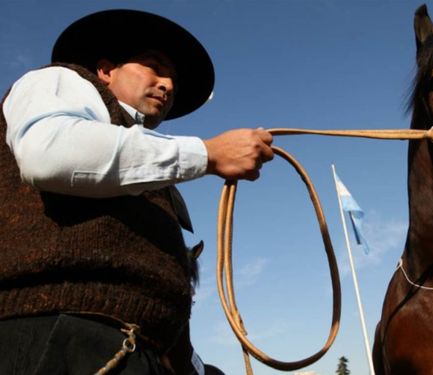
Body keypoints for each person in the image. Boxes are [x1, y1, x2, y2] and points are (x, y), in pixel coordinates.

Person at [0, 9, 274, 374]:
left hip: (135, 349)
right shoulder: (60, 81)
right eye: (154, 66)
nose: (168, 84)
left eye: (173, 78)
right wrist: (207, 153)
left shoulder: (151, 166)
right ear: (106, 70)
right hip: (56, 335)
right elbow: (47, 153)